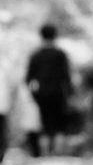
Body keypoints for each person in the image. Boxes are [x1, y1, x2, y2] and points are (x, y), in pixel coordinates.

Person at [25, 23, 73, 155]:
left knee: (45, 123)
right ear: (55, 35)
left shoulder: (36, 55)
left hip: (42, 94)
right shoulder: (60, 54)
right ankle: (58, 153)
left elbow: (28, 78)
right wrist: (69, 94)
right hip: (58, 93)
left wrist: (33, 94)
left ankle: (45, 153)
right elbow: (66, 76)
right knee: (59, 124)